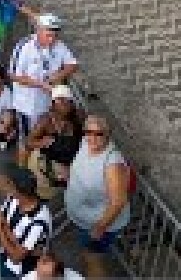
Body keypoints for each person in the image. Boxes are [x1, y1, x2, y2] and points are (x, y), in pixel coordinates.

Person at [64, 115, 131, 280]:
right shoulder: (84, 143)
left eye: (98, 133)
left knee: (92, 259)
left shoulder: (112, 163)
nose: (92, 137)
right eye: (88, 132)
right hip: (83, 219)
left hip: (99, 226)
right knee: (88, 255)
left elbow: (118, 202)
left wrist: (100, 227)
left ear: (107, 135)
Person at [9, 13, 79, 140]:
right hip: (26, 104)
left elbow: (73, 64)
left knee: (41, 137)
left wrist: (58, 76)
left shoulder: (59, 45)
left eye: (55, 36)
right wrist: (40, 84)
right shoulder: (24, 46)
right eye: (48, 36)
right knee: (25, 140)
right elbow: (13, 76)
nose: (52, 40)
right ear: (38, 31)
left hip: (47, 104)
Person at [21, 85, 84, 198]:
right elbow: (27, 142)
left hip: (72, 162)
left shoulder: (78, 117)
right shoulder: (46, 120)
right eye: (59, 100)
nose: (64, 103)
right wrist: (42, 142)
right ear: (53, 103)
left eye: (67, 100)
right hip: (51, 162)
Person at [0, 162, 53, 279]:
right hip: (5, 258)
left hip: (22, 273)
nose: (6, 186)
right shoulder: (13, 199)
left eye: (10, 184)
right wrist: (12, 240)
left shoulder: (38, 223)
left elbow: (16, 257)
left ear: (19, 191)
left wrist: (0, 230)